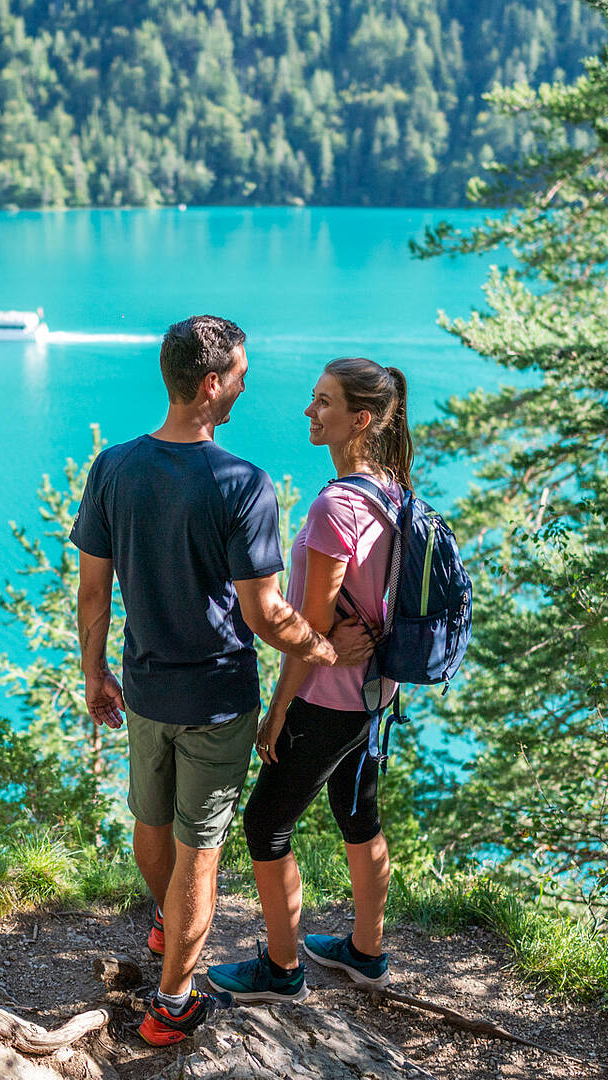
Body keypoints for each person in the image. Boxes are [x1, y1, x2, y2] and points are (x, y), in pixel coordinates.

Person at [72, 317, 372, 1047]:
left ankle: (165, 923)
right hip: (215, 702)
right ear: (211, 384)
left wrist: (95, 672)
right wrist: (326, 651)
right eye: (239, 374)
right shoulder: (243, 483)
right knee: (198, 856)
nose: (245, 385)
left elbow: (92, 591)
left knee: (151, 829)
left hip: (144, 692)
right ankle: (172, 1005)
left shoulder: (113, 467)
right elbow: (265, 614)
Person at [205, 357, 411, 1004]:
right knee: (359, 816)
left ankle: (282, 969)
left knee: (265, 824)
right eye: (313, 398)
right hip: (375, 693)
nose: (309, 411)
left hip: (326, 700)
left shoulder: (335, 507)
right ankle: (367, 953)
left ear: (362, 419)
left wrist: (277, 710)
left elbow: (309, 631)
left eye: (324, 402)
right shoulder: (393, 491)